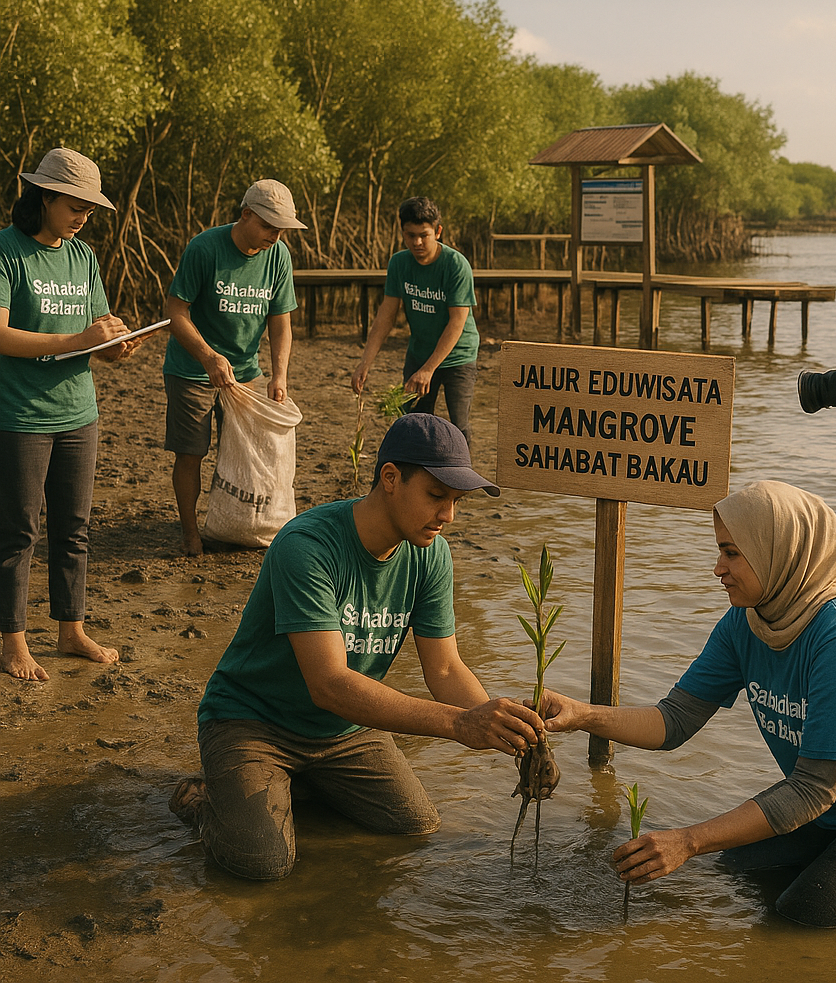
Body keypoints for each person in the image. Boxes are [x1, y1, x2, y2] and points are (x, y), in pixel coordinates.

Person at [543, 480, 836, 928]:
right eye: (720, 551)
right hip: (832, 812)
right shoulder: (746, 623)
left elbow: (813, 789)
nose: (718, 568)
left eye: (731, 553)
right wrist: (581, 716)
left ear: (777, 552)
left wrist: (687, 840)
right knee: (728, 875)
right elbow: (673, 721)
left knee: (799, 917)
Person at [170, 413, 545, 880]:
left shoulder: (430, 554)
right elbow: (329, 684)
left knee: (415, 827)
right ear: (390, 478)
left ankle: (299, 787)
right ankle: (207, 800)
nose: (448, 516)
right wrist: (458, 724)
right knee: (263, 864)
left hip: (345, 730)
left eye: (455, 501)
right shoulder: (307, 546)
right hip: (254, 720)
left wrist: (510, 734)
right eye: (436, 496)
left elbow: (446, 669)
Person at [0, 148, 141, 681]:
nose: (85, 215)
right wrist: (81, 338)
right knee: (17, 531)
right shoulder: (6, 251)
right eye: (76, 203)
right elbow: (1, 334)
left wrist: (111, 345)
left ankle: (70, 630)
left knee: (74, 529)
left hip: (80, 411)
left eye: (90, 206)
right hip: (20, 414)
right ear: (45, 196)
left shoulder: (83, 256)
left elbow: (96, 327)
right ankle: (13, 642)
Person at [163, 179, 305, 555]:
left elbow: (280, 321)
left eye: (281, 230)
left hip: (245, 371)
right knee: (192, 451)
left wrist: (279, 375)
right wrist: (208, 357)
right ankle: (191, 531)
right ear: (246, 215)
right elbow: (175, 312)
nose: (274, 236)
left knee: (251, 450)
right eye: (268, 227)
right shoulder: (204, 247)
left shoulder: (279, 257)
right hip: (192, 368)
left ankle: (236, 522)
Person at [350, 196, 479, 447]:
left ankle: (462, 483)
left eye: (424, 235)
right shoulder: (399, 263)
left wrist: (428, 370)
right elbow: (385, 316)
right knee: (412, 422)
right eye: (410, 235)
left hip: (458, 355)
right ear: (402, 232)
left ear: (438, 231)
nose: (417, 242)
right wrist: (364, 363)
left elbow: (457, 323)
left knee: (458, 426)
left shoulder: (456, 265)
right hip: (419, 352)